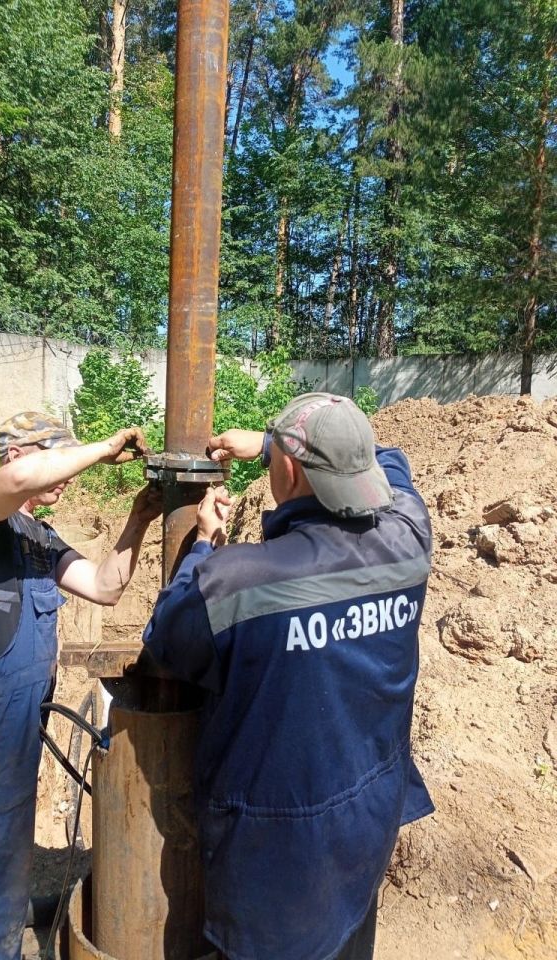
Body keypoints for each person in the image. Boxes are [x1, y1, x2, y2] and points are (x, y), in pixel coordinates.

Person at [143, 393, 434, 960]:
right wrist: (274, 444)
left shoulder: (238, 580)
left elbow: (166, 642)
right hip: (369, 820)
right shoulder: (410, 535)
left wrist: (202, 544)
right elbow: (389, 460)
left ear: (290, 471)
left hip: (276, 853)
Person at [0, 412, 160, 960]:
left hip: (13, 736)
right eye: (58, 459)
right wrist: (103, 447)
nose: (67, 476)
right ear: (16, 455)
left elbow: (104, 587)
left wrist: (138, 519)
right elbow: (13, 484)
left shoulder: (39, 538)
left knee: (2, 871)